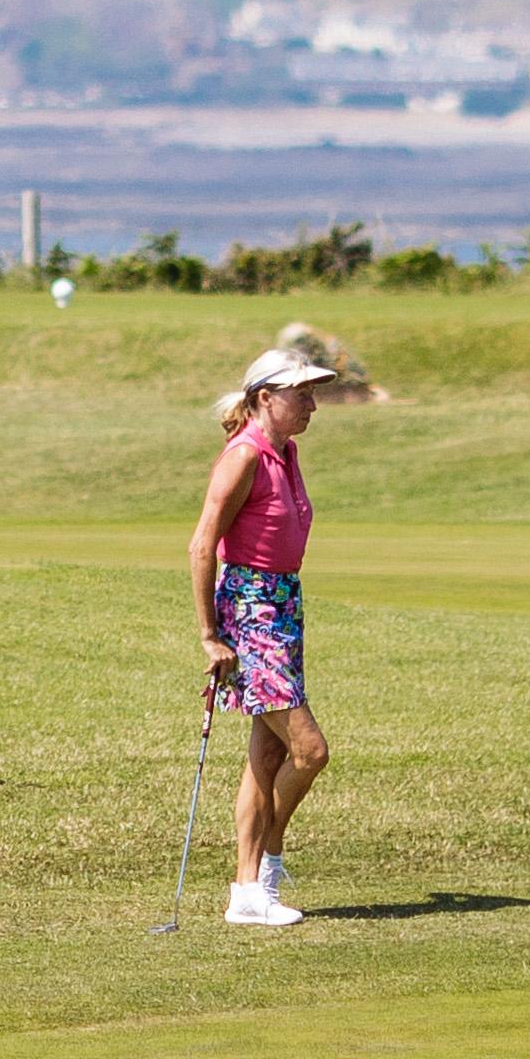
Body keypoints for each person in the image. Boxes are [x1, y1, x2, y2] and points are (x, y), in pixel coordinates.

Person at [188, 324, 380, 927]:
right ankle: (265, 863)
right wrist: (211, 635)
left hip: (283, 602)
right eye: (302, 394)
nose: (313, 405)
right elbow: (201, 545)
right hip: (250, 607)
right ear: (266, 397)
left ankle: (249, 893)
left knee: (268, 755)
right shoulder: (244, 456)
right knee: (310, 749)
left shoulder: (286, 450)